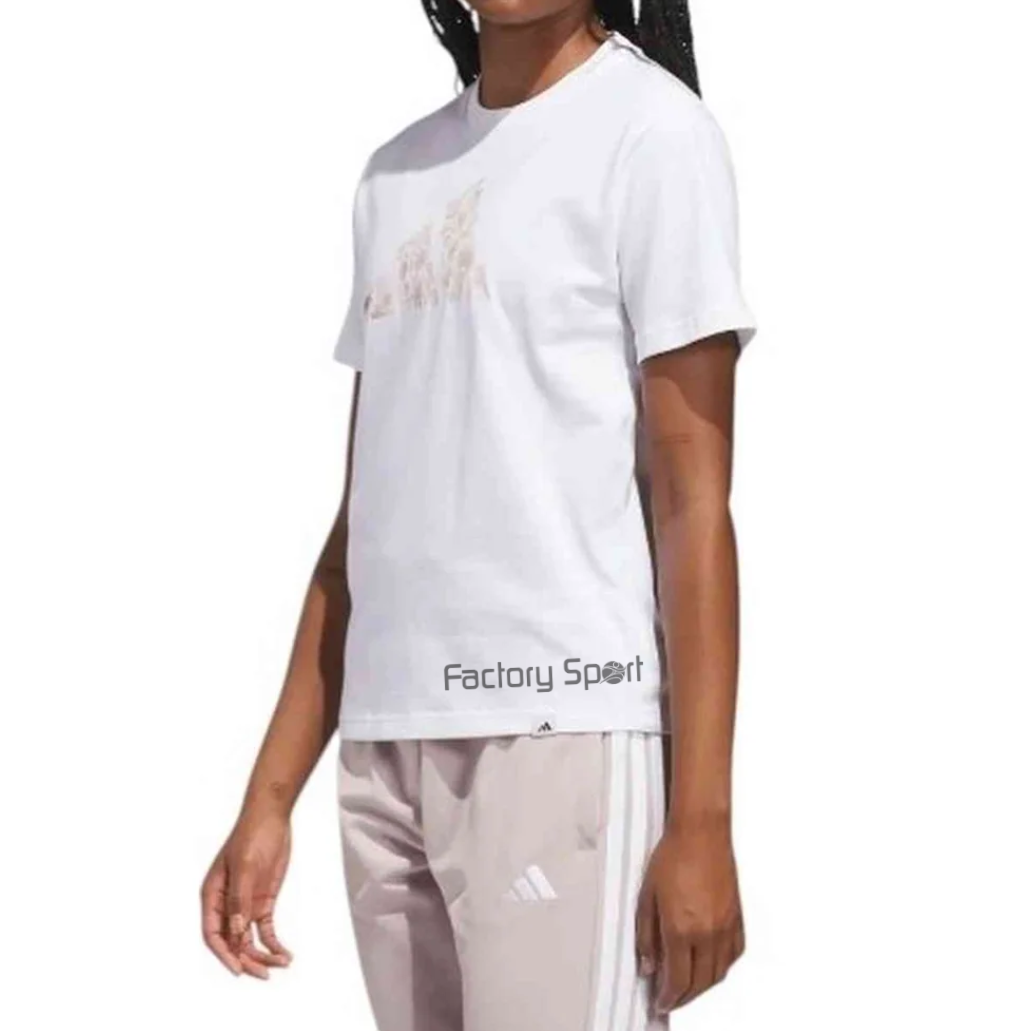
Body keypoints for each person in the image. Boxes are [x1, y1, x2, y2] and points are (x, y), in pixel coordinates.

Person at [201, 2, 757, 1028]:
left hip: (560, 724)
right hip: (385, 746)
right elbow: (364, 521)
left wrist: (702, 816)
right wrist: (269, 795)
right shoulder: (395, 175)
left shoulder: (652, 134)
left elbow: (692, 504)